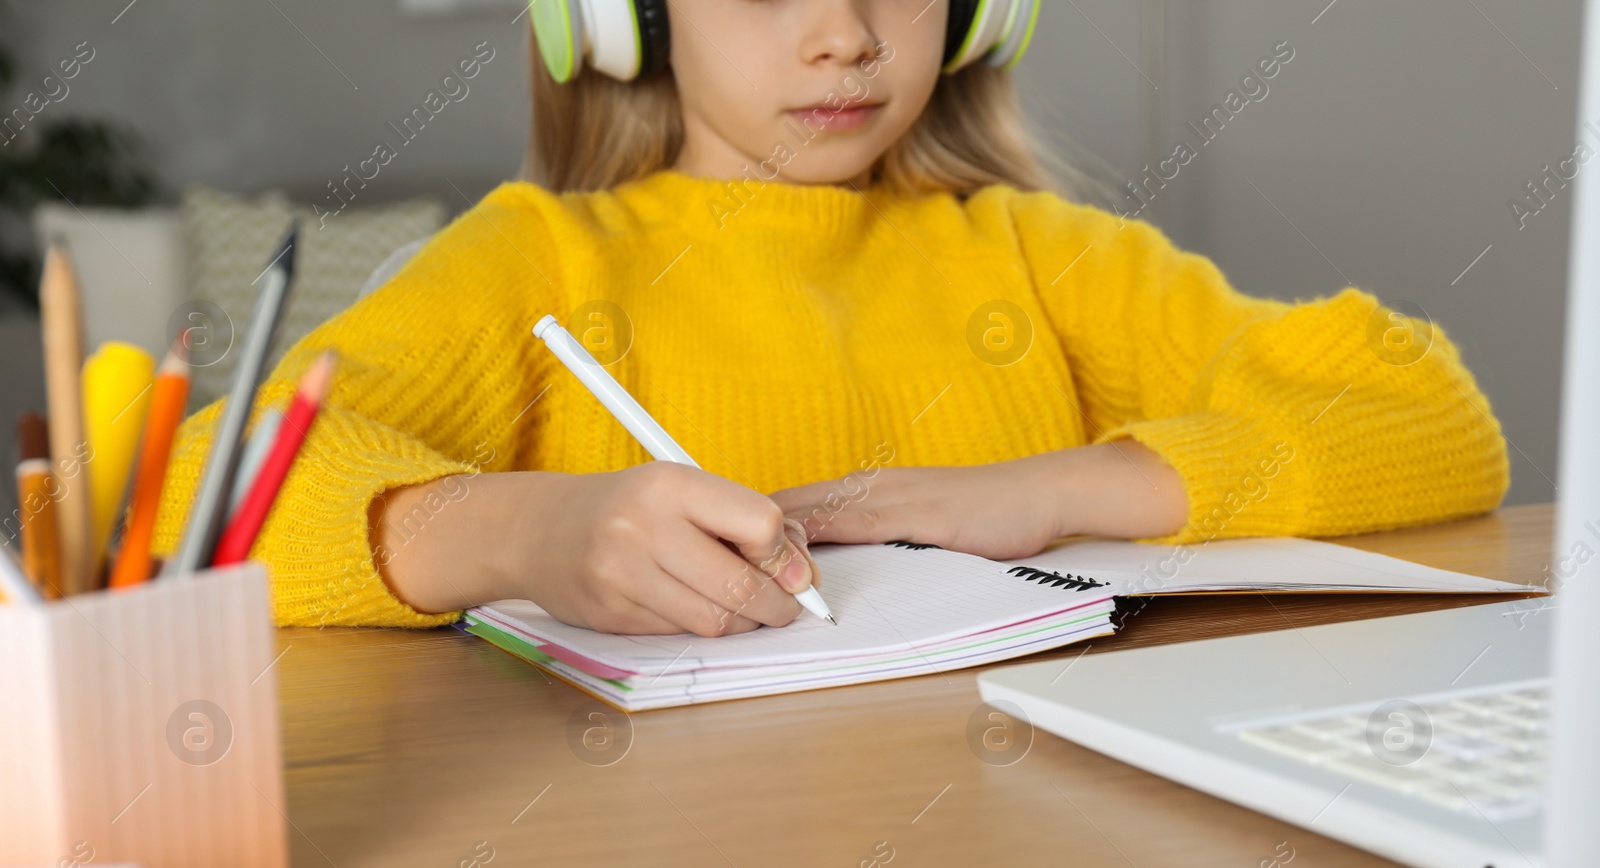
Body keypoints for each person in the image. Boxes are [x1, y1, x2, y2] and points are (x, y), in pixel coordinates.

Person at [153, 0, 1508, 636]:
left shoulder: (1031, 253)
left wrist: (1051, 491)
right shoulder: (541, 260)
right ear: (621, 21)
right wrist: (525, 532)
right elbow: (212, 494)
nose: (846, 35)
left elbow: (1422, 409)